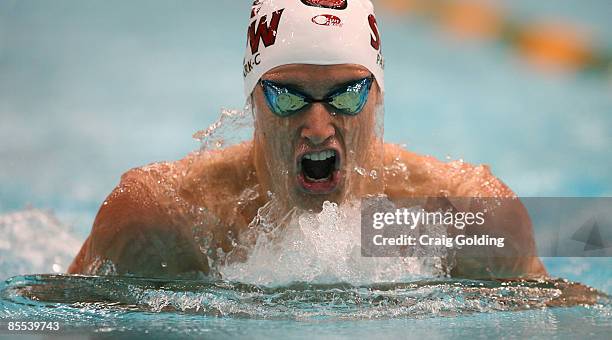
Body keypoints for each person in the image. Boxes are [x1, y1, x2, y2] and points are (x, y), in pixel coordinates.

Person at [68, 0, 546, 279]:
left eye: (346, 95)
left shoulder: (466, 216)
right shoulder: (166, 220)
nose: (318, 127)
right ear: (253, 99)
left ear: (376, 96)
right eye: (288, 98)